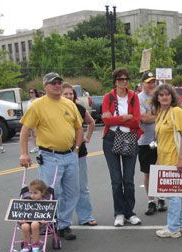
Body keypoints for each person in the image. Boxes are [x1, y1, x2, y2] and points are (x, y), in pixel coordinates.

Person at [19, 72, 83, 241]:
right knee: (51, 193)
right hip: (49, 156)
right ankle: (47, 223)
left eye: (59, 82)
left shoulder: (69, 104)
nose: (57, 85)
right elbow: (25, 130)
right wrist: (24, 153)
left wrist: (76, 148)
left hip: (70, 155)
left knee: (72, 191)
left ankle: (64, 225)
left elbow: (78, 127)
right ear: (45, 86)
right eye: (53, 83)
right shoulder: (37, 105)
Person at [101, 67, 143, 227]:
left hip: (130, 138)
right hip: (111, 139)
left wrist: (116, 118)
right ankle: (119, 213)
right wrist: (125, 117)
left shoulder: (134, 97)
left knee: (129, 179)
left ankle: (129, 212)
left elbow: (136, 120)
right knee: (116, 179)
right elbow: (106, 121)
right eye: (120, 79)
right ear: (115, 81)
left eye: (126, 79)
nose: (123, 82)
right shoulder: (108, 97)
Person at [152, 84, 182, 238]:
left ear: (172, 96)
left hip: (174, 159)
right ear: (157, 98)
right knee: (177, 193)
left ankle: (173, 228)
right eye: (161, 95)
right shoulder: (161, 113)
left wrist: (181, 159)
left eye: (167, 94)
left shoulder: (177, 111)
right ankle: (181, 223)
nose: (164, 97)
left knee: (172, 193)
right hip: (164, 158)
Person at [61, 82, 98, 226]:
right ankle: (62, 219)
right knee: (62, 190)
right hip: (60, 154)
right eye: (66, 94)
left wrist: (86, 137)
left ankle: (86, 216)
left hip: (79, 153)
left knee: (82, 187)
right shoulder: (56, 109)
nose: (69, 96)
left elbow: (92, 123)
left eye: (71, 93)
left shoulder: (79, 109)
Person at [138, 71, 166, 216]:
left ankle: (161, 198)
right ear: (142, 83)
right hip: (145, 140)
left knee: (161, 169)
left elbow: (166, 112)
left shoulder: (159, 96)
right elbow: (144, 118)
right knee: (148, 172)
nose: (151, 84)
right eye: (148, 82)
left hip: (162, 139)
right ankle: (151, 201)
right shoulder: (139, 98)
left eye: (153, 81)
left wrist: (154, 116)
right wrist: (159, 116)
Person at [19, 179, 51, 252]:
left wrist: (44, 218)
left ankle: (35, 244)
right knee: (24, 226)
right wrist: (22, 218)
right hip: (28, 220)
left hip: (39, 221)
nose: (32, 195)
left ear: (42, 193)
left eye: (35, 193)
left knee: (34, 224)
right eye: (31, 193)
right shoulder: (27, 200)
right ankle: (26, 245)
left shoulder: (45, 202)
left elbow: (48, 213)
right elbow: (22, 211)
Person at [27, 88, 41, 153]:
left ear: (35, 93)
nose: (31, 94)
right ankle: (34, 147)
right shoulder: (28, 102)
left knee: (36, 134)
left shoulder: (38, 100)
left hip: (37, 119)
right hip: (30, 119)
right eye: (30, 92)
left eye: (32, 92)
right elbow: (27, 111)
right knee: (31, 134)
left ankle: (38, 146)